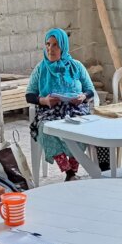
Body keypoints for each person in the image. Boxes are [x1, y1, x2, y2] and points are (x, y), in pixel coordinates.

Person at [26, 28, 99, 181]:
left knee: (81, 131)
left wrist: (82, 96)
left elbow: (90, 90)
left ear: (63, 47)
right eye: (48, 44)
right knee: (46, 131)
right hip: (49, 112)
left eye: (55, 45)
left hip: (76, 110)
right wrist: (44, 100)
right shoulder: (41, 68)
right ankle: (69, 172)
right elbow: (29, 95)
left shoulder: (76, 66)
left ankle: (72, 169)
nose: (50, 49)